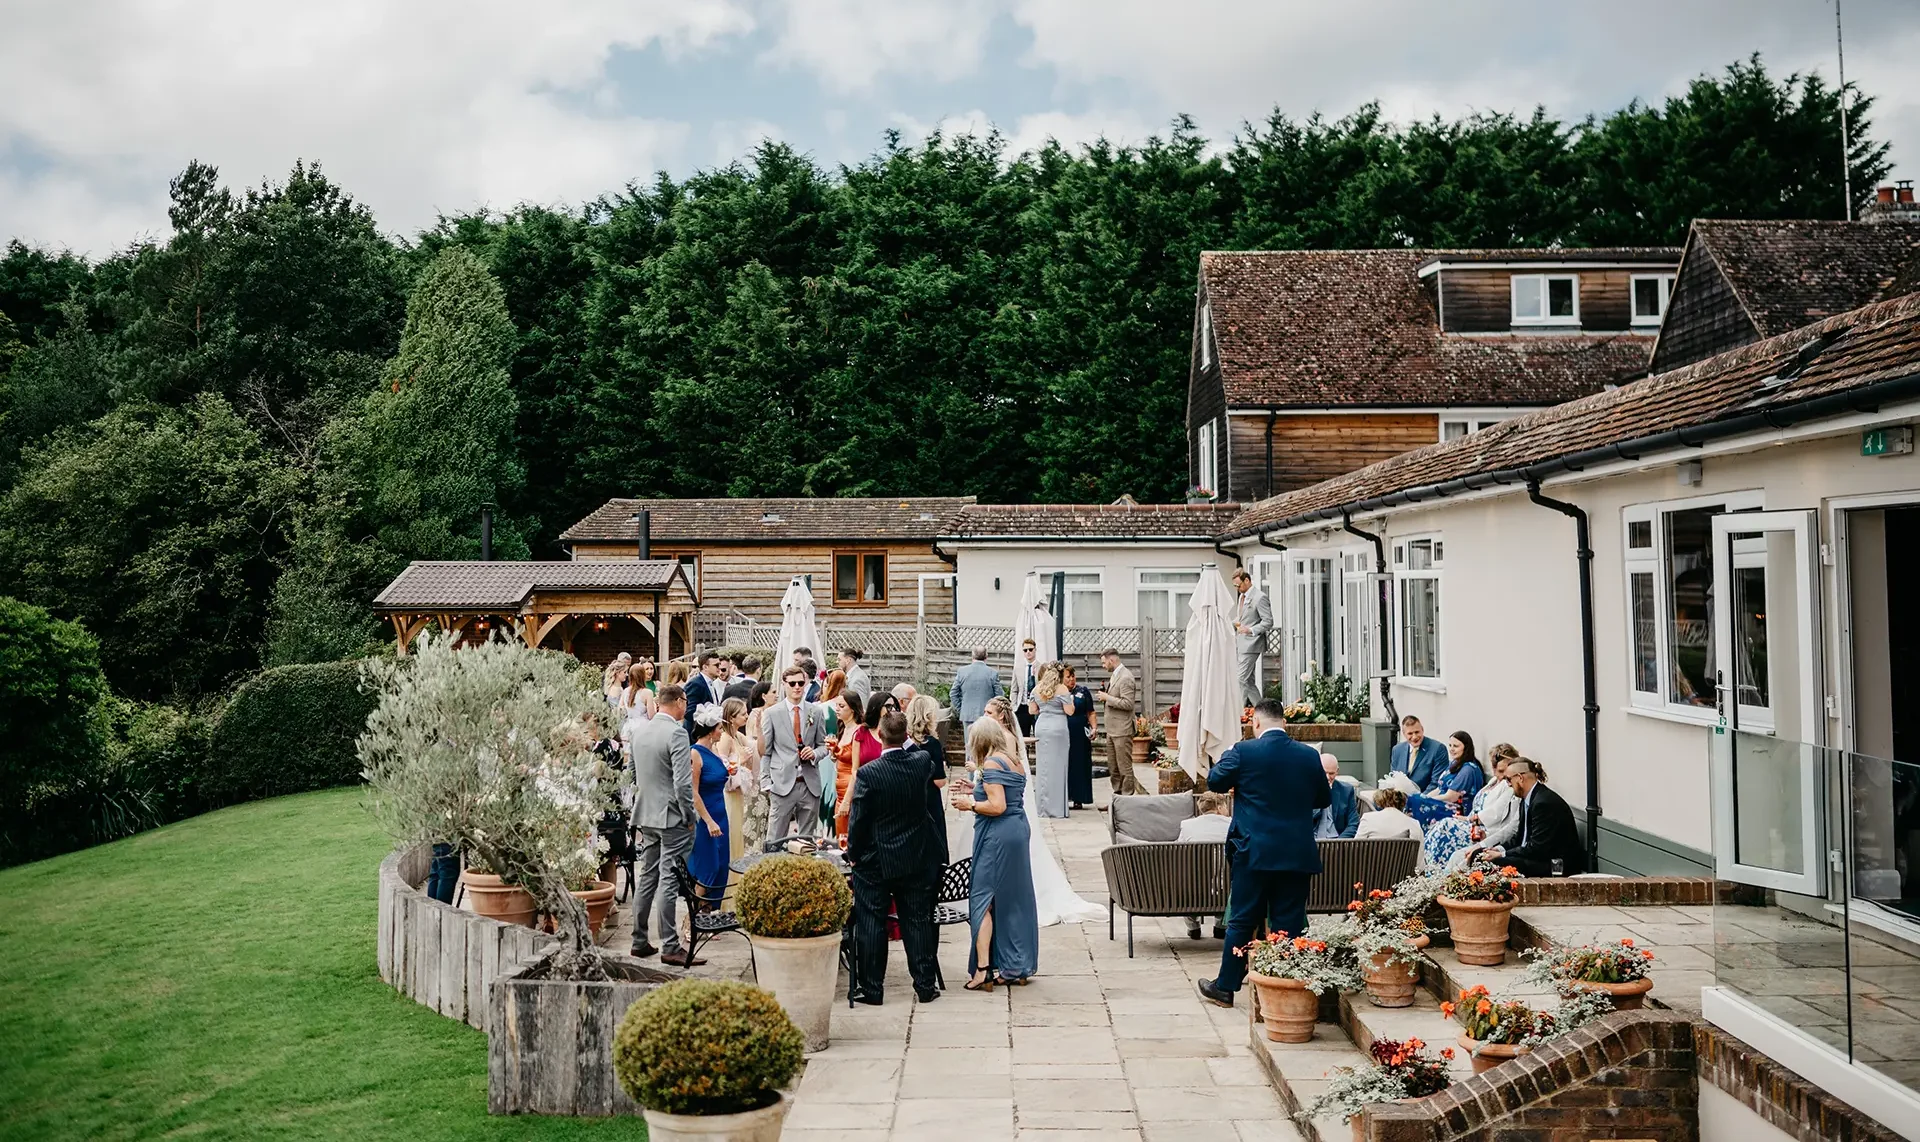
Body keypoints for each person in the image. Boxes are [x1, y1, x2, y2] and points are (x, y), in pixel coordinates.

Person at [1197, 699, 1328, 1009]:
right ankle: (1287, 984)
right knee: (1290, 920)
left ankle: (1226, 987)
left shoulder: (1243, 752)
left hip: (1252, 851)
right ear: (1284, 722)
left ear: (1255, 723)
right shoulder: (1309, 755)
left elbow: (1214, 779)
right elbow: (1322, 797)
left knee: (1242, 918)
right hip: (1295, 851)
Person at [845, 710, 945, 1006]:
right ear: (907, 737)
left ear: (879, 736)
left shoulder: (869, 773)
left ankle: (872, 990)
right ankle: (925, 986)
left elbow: (858, 820)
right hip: (914, 854)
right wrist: (907, 739)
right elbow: (916, 752)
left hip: (875, 859)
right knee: (916, 919)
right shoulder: (921, 762)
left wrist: (854, 854)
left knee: (872, 922)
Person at [952, 716, 1038, 989]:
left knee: (982, 900)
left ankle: (983, 970)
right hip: (1017, 831)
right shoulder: (1013, 761)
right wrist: (974, 789)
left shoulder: (990, 763)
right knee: (1013, 900)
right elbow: (1006, 794)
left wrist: (970, 804)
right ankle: (1017, 966)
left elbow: (997, 805)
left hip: (997, 836)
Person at [631, 684, 702, 966]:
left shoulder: (640, 731)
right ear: (679, 702)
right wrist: (688, 815)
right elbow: (683, 783)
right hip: (671, 815)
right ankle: (670, 945)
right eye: (685, 702)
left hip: (646, 813)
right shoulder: (676, 732)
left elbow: (632, 774)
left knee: (647, 875)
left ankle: (639, 940)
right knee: (669, 879)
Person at [1470, 758, 1584, 876]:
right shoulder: (1527, 799)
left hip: (1555, 865)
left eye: (1509, 780)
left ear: (1520, 778)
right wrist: (1499, 849)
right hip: (1534, 857)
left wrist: (1502, 855)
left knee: (1490, 861)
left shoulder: (1543, 803)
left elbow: (1537, 848)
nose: (1508, 784)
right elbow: (1520, 838)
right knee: (1479, 854)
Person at [1425, 744, 1520, 870]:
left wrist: (1470, 819)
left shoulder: (1508, 786)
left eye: (1503, 771)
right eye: (1497, 769)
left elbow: (1495, 813)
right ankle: (1427, 867)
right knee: (1440, 824)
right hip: (1474, 823)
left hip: (1485, 830)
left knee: (1445, 828)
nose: (1500, 775)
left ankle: (1435, 870)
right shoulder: (1493, 782)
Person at [761, 666, 828, 841]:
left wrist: (814, 753)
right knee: (775, 839)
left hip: (809, 784)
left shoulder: (816, 711)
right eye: (792, 683)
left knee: (806, 842)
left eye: (800, 682)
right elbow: (766, 752)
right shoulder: (772, 713)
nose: (797, 687)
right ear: (784, 685)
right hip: (782, 785)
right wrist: (766, 782)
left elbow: (823, 745)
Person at [685, 704, 732, 893]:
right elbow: (693, 792)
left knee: (721, 867)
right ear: (711, 731)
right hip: (707, 818)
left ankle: (711, 914)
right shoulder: (694, 753)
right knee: (708, 869)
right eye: (720, 728)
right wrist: (709, 821)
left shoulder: (714, 752)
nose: (722, 732)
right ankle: (695, 917)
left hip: (721, 815)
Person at [1178, 792, 1233, 940]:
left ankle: (1193, 927)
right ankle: (1221, 926)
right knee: (1225, 877)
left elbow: (1178, 853)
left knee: (1189, 880)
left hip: (1193, 889)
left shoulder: (1187, 825)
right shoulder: (1232, 824)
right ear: (1219, 807)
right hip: (1224, 887)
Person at [1405, 731, 1487, 829]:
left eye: (1456, 746)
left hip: (1456, 810)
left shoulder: (1468, 769)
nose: (1451, 749)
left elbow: (1451, 797)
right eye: (1450, 745)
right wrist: (1424, 798)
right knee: (1413, 799)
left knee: (1415, 801)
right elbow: (1439, 788)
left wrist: (1426, 800)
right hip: (1443, 802)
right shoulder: (1454, 763)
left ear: (1466, 747)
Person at [904, 694, 951, 865]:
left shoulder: (904, 741)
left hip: (909, 798)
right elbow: (940, 781)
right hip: (929, 799)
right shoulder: (931, 744)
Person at [834, 692, 886, 842]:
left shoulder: (859, 732)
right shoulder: (842, 728)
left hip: (850, 784)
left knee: (849, 833)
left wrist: (838, 751)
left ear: (852, 709)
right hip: (839, 784)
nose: (837, 709)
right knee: (840, 832)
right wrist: (834, 752)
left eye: (841, 706)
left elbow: (855, 763)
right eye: (836, 706)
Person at [716, 696, 763, 861]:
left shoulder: (737, 736)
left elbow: (758, 750)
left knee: (737, 837)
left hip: (738, 796)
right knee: (731, 837)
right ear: (731, 718)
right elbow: (721, 769)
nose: (747, 716)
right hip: (729, 796)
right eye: (743, 714)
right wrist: (740, 760)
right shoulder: (725, 738)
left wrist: (758, 728)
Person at [1027, 663, 1073, 819]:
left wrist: (1044, 708)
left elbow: (1032, 710)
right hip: (1058, 728)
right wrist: (1069, 701)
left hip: (1041, 727)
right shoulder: (1062, 689)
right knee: (1059, 766)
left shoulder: (1036, 689)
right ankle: (1057, 808)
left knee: (1042, 767)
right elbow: (1069, 711)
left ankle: (1042, 807)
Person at [1094, 648, 1138, 797]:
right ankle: (1117, 797)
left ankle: (1127, 798)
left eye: (1104, 662)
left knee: (1124, 767)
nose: (1103, 666)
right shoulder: (1115, 675)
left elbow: (1128, 704)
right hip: (1112, 730)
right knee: (1113, 768)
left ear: (1111, 660)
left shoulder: (1126, 677)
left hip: (1122, 730)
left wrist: (1107, 698)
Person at [1231, 568, 1273, 707]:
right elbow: (1242, 618)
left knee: (1240, 678)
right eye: (1235, 586)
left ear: (1247, 580)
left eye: (1239, 585)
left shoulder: (1260, 597)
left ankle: (1238, 712)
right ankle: (1262, 710)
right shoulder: (1242, 597)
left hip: (1252, 644)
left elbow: (1268, 621)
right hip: (1241, 644)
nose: (1237, 588)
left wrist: (1250, 630)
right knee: (1248, 681)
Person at [1062, 664, 1095, 810]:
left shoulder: (1083, 691)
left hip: (1080, 731)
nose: (1071, 679)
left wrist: (1094, 727)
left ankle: (1079, 798)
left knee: (1080, 763)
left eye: (1073, 676)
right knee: (1065, 763)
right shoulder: (1058, 692)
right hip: (1063, 731)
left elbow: (1091, 712)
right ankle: (1063, 796)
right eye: (1068, 677)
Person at [1389, 715, 1447, 791]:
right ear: (1404, 734)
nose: (1414, 737)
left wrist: (1419, 800)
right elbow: (1394, 777)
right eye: (1410, 733)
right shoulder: (1397, 750)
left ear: (1422, 730)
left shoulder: (1438, 749)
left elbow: (1436, 783)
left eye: (1417, 732)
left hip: (1425, 798)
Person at [1312, 754, 1361, 839]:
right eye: (1324, 773)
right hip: (1312, 840)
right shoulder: (1307, 789)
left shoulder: (1346, 790)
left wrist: (1339, 843)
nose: (1327, 777)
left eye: (1331, 773)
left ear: (1337, 771)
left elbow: (1353, 823)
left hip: (1337, 840)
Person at [951, 646, 1001, 726]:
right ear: (986, 656)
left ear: (972, 656)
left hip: (967, 715)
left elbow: (953, 693)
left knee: (969, 739)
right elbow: (999, 695)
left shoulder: (962, 672)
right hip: (987, 716)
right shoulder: (993, 673)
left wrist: (962, 709)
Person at [1356, 788, 1424, 841]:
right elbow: (1419, 857)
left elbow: (1355, 847)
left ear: (1379, 801)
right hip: (1403, 859)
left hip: (1372, 858)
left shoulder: (1368, 819)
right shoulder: (1414, 824)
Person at [682, 652, 721, 734]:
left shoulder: (711, 682)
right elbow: (690, 712)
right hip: (696, 734)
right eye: (716, 665)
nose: (719, 668)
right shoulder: (695, 683)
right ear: (705, 667)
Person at [1012, 639, 1040, 737]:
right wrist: (1014, 706)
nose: (1028, 652)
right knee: (1023, 737)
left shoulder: (1041, 667)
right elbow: (1014, 689)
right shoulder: (1018, 668)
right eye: (1025, 650)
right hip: (1022, 706)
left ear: (1035, 650)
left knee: (1039, 735)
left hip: (1037, 706)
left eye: (1030, 649)